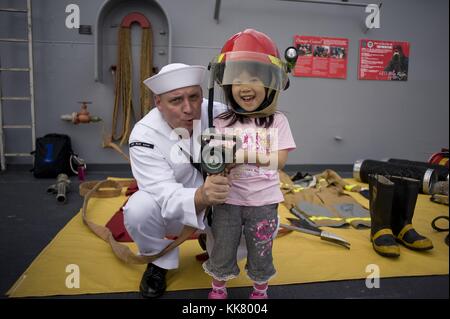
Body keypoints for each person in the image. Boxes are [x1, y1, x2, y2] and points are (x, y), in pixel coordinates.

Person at [202, 29, 296, 299]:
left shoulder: (277, 121)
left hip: (263, 202)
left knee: (261, 248)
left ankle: (260, 289)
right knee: (223, 245)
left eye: (254, 77)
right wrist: (217, 163)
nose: (245, 85)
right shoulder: (221, 122)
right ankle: (218, 287)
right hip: (228, 201)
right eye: (237, 78)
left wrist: (242, 156)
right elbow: (213, 159)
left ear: (270, 83)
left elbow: (279, 161)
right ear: (226, 84)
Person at [123, 63, 230, 298]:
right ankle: (159, 261)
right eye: (176, 100)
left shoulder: (217, 112)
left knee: (262, 213)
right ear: (158, 103)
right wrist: (201, 196)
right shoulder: (144, 135)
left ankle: (213, 241)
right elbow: (162, 193)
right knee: (138, 209)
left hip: (222, 201)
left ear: (202, 95)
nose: (189, 108)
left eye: (194, 97)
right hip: (175, 212)